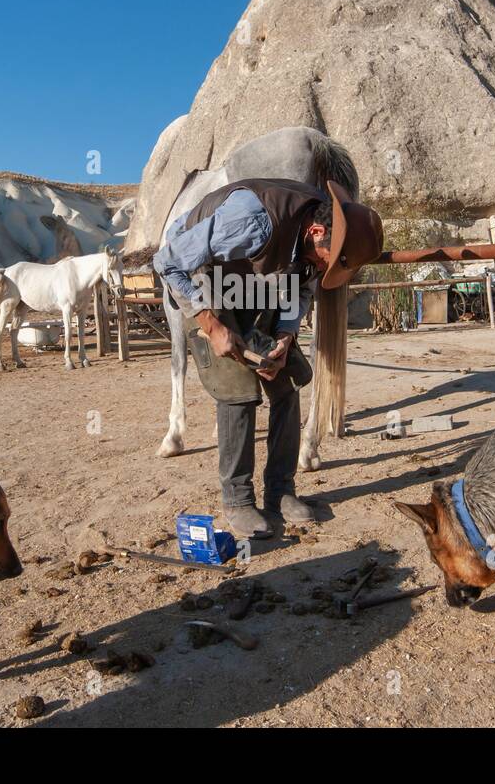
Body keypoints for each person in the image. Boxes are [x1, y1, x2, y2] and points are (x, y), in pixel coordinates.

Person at [154, 178, 384, 538]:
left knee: (285, 380)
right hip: (200, 277)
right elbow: (167, 263)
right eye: (329, 260)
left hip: (251, 283)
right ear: (317, 231)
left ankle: (281, 491)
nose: (326, 269)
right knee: (237, 389)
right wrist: (212, 324)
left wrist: (284, 335)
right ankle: (238, 500)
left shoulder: (317, 243)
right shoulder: (252, 219)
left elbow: (303, 287)